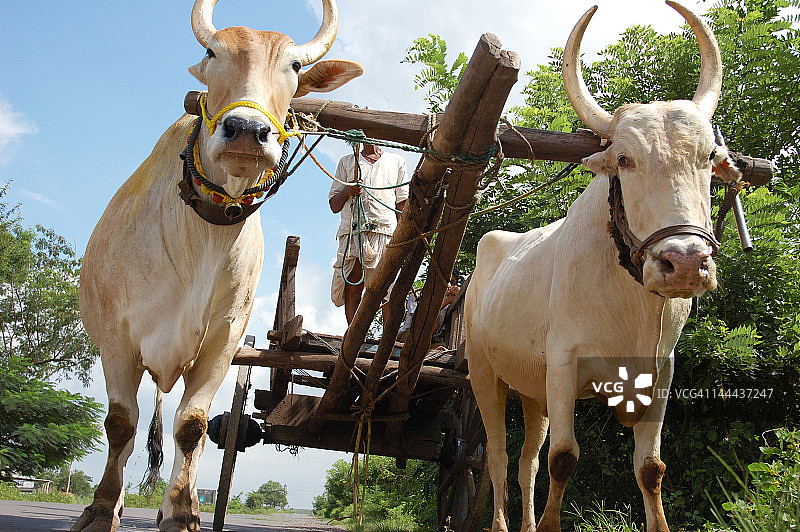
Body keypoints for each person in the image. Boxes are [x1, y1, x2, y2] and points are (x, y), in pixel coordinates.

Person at [329, 142, 409, 324]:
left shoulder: (396, 161)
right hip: (353, 230)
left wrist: (405, 237)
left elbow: (402, 204)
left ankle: (388, 339)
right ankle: (354, 333)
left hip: (385, 231)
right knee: (354, 281)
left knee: (387, 287)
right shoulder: (347, 162)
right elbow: (334, 205)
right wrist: (347, 190)